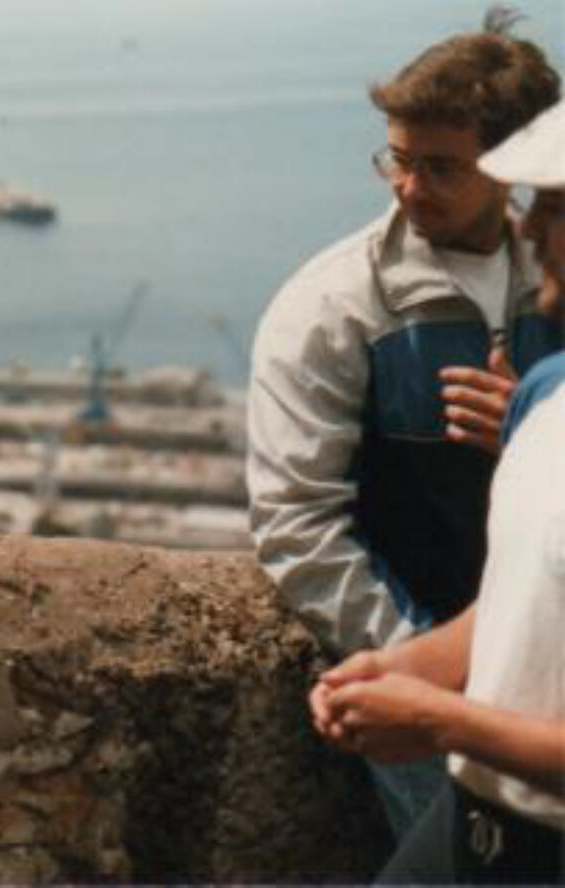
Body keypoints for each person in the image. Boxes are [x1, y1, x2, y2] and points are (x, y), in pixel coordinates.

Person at [247, 15, 560, 837]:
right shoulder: (335, 307)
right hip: (428, 685)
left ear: (512, 168)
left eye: (442, 169)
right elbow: (298, 524)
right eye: (399, 159)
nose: (409, 187)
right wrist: (420, 674)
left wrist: (531, 439)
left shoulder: (556, 279)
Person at [310, 98, 565, 885]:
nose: (525, 232)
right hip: (474, 823)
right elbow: (528, 595)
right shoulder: (544, 396)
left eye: (553, 211)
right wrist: (415, 664)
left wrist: (439, 721)